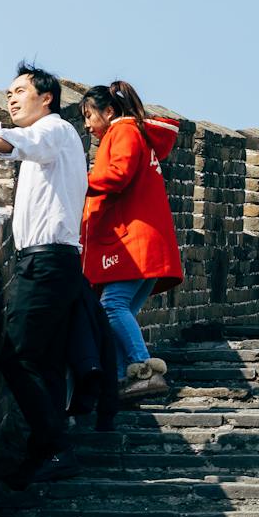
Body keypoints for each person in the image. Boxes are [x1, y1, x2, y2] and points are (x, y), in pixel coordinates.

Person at [0, 63, 88, 484]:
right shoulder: (47, 141)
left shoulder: (54, 130)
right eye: (7, 93)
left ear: (47, 98)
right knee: (43, 361)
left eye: (19, 91)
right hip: (51, 261)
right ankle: (44, 451)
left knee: (18, 357)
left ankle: (56, 447)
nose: (10, 99)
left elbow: (23, 143)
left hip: (49, 261)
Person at [80, 80, 183, 402]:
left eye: (88, 115)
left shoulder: (122, 132)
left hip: (132, 241)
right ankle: (126, 379)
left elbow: (118, 175)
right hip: (144, 241)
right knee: (114, 311)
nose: (86, 125)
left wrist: (73, 180)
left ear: (108, 111)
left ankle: (142, 368)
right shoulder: (135, 133)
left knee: (111, 306)